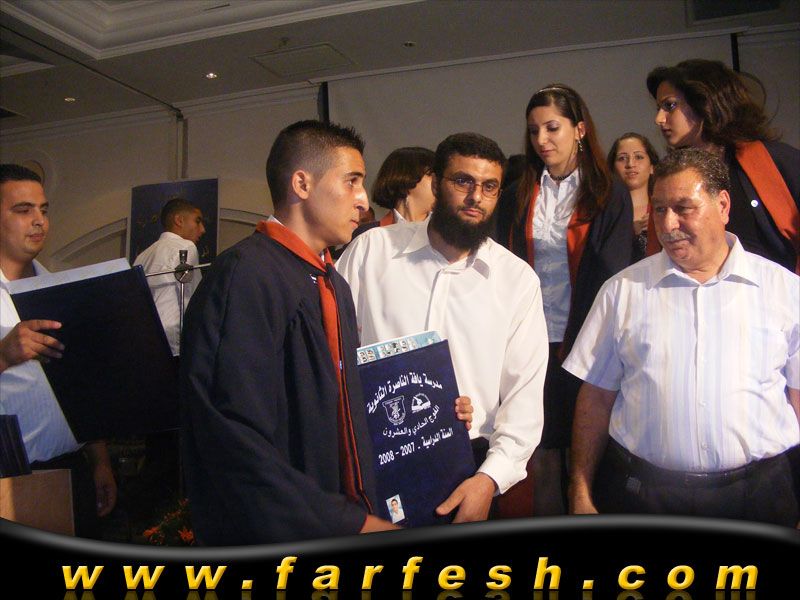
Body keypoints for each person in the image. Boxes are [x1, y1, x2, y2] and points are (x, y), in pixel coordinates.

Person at [179, 120, 403, 544]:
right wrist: (340, 521)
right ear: (302, 183)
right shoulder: (247, 274)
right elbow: (233, 434)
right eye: (352, 181)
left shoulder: (332, 282)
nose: (363, 200)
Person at [563, 148, 800, 525]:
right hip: (644, 497)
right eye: (659, 209)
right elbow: (595, 397)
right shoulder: (622, 291)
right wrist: (579, 490)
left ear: (723, 205)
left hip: (758, 499)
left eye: (683, 208)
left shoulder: (785, 291)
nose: (668, 224)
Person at [338, 132, 548, 523]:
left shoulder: (517, 281)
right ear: (435, 183)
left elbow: (524, 402)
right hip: (373, 459)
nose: (476, 197)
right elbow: (330, 350)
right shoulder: (372, 252)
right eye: (463, 181)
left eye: (489, 187)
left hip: (468, 470)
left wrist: (489, 480)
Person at [494, 84, 633, 515]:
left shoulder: (608, 192)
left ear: (580, 130)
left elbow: (612, 273)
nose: (542, 139)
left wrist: (588, 340)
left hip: (586, 340)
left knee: (587, 451)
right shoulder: (518, 192)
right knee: (539, 448)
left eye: (552, 128)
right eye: (534, 130)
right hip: (530, 338)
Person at [0, 163, 117, 538]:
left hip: (73, 467)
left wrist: (99, 460)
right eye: (23, 210)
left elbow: (82, 384)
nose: (39, 221)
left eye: (44, 209)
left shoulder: (60, 289)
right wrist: (4, 355)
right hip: (9, 478)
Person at [646, 58, 799, 274]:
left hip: (775, 291)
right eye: (659, 108)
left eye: (670, 105)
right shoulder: (668, 176)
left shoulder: (773, 160)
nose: (659, 119)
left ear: (705, 102)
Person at [133, 197, 205, 357]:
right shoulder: (186, 247)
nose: (202, 229)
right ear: (179, 220)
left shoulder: (142, 256)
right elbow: (196, 297)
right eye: (197, 221)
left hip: (144, 335)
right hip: (174, 336)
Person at [607, 132, 660, 262]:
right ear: (613, 169)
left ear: (652, 167)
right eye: (622, 158)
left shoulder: (664, 210)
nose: (630, 164)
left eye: (639, 157)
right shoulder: (603, 213)